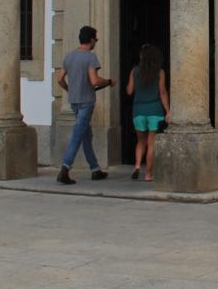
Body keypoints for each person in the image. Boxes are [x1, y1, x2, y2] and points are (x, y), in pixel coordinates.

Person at [54, 25, 114, 184]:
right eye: (96, 39)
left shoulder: (69, 56)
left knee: (86, 135)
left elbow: (59, 79)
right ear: (91, 40)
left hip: (74, 101)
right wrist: (108, 82)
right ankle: (65, 169)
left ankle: (95, 169)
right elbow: (94, 81)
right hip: (87, 101)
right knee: (77, 135)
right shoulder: (90, 57)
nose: (96, 42)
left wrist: (69, 89)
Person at [126, 43, 169, 182]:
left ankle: (137, 166)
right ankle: (148, 174)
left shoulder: (134, 71)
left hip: (138, 111)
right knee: (151, 144)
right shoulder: (160, 72)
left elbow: (129, 91)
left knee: (140, 141)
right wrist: (168, 111)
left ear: (142, 57)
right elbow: (162, 92)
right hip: (154, 110)